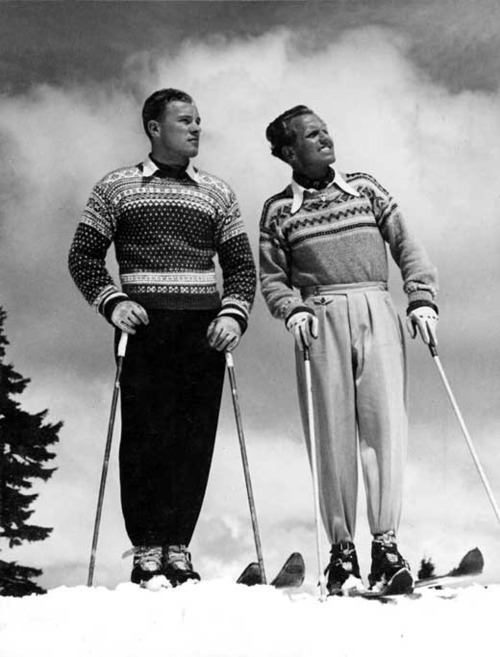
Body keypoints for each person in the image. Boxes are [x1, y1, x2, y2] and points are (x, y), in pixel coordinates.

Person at [69, 88, 256, 587]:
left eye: (198, 120)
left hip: (204, 327)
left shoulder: (217, 191)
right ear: (154, 127)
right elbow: (83, 256)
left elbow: (240, 265)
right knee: (145, 437)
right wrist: (113, 301)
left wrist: (234, 315)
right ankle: (147, 549)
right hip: (144, 325)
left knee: (193, 440)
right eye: (185, 120)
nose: (197, 128)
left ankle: (179, 548)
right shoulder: (117, 187)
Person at [259, 105, 438, 596]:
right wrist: (290, 308)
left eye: (326, 129)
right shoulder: (279, 210)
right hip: (318, 318)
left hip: (376, 305)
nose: (325, 138)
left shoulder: (365, 187)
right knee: (332, 432)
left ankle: (386, 546)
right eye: (312, 134)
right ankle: (342, 552)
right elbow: (271, 278)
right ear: (289, 150)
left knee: (384, 427)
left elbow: (406, 245)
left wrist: (420, 295)